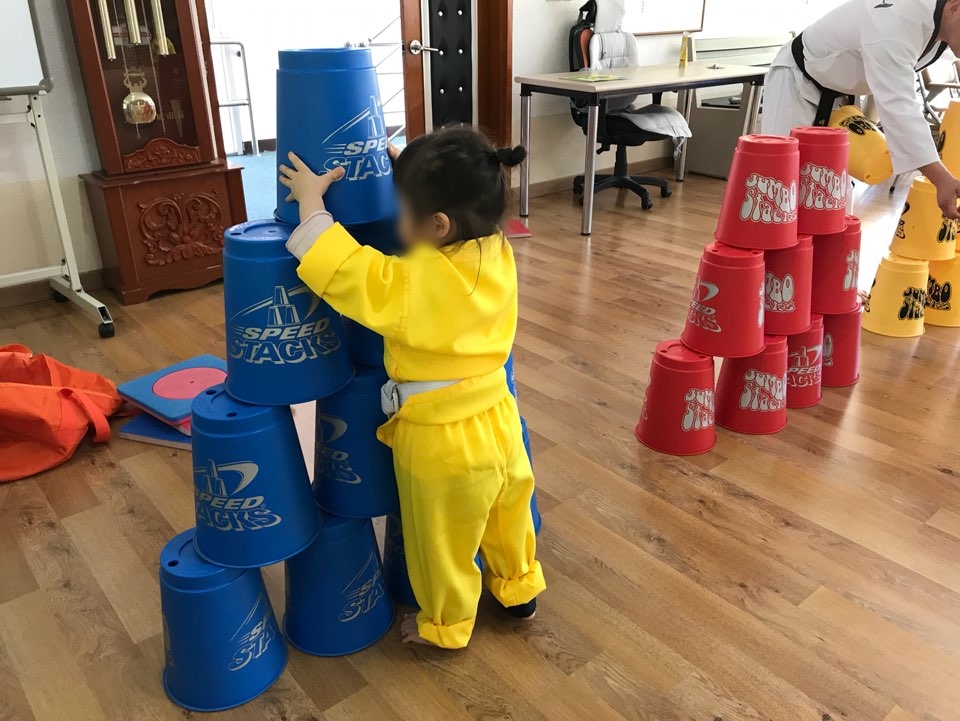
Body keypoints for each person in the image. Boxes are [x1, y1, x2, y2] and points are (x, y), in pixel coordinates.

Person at [278, 127, 546, 649]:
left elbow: (349, 272)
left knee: (440, 540)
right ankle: (519, 590)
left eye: (404, 211)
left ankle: (446, 626)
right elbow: (457, 198)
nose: (398, 220)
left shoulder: (412, 283)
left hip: (441, 439)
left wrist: (312, 204)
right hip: (498, 419)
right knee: (507, 512)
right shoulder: (495, 251)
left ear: (438, 224)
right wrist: (416, 172)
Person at [762, 0, 960, 219]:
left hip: (842, 93)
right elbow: (898, 103)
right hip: (797, 82)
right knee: (780, 187)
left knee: (833, 197)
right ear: (954, 7)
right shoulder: (898, 19)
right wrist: (940, 178)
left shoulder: (942, 25)